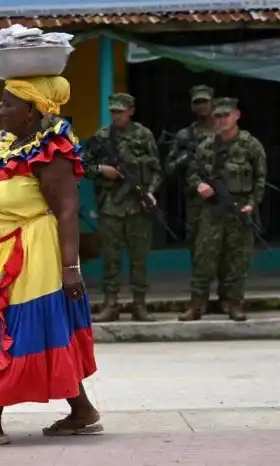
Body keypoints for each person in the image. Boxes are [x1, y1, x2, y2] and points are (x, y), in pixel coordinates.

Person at [0, 75, 99, 447]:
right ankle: (81, 411)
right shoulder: (9, 147)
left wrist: (69, 269)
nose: (0, 109)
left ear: (31, 111)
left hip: (31, 259)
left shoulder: (51, 150)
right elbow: (12, 196)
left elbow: (66, 211)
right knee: (37, 333)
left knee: (7, 332)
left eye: (8, 103)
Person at [180, 97, 267, 322]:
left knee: (237, 260)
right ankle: (196, 305)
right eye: (217, 116)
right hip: (212, 210)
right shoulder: (206, 146)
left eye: (226, 115)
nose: (221, 120)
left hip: (239, 209)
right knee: (204, 258)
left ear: (236, 115)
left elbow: (260, 178)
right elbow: (192, 173)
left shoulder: (251, 145)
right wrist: (199, 185)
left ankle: (234, 304)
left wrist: (252, 203)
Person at [84, 93, 162, 323]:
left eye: (121, 111)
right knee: (111, 258)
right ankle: (111, 304)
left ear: (131, 110)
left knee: (139, 258)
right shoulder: (102, 137)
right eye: (114, 112)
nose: (117, 116)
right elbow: (82, 166)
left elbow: (157, 169)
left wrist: (150, 192)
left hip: (138, 206)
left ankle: (139, 304)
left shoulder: (143, 135)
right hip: (111, 206)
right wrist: (101, 169)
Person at [166, 86, 216, 292]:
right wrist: (186, 156)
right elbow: (169, 168)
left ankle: (227, 298)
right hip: (196, 200)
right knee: (198, 248)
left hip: (223, 197)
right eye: (197, 102)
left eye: (205, 101)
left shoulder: (225, 130)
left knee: (226, 250)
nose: (202, 106)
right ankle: (201, 295)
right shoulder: (185, 135)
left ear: (213, 102)